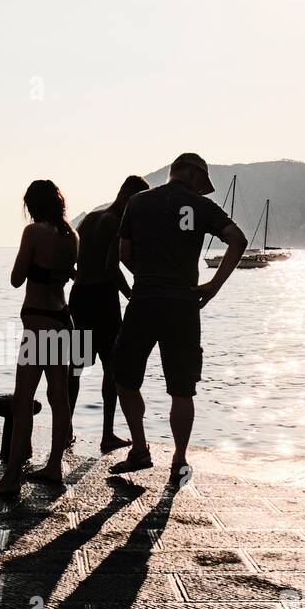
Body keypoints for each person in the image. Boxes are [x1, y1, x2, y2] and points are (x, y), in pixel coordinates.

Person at [111, 152, 247, 482]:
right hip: (183, 305)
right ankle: (179, 459)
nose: (204, 190)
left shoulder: (139, 203)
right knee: (182, 389)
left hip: (143, 301)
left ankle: (141, 449)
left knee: (124, 377)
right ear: (189, 172)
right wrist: (212, 286)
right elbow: (238, 240)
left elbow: (124, 254)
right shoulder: (199, 206)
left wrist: (148, 276)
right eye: (203, 181)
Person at [0, 180, 78, 499]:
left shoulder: (34, 233)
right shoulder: (72, 235)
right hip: (64, 320)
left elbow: (15, 278)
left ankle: (10, 478)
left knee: (23, 400)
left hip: (38, 321)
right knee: (59, 398)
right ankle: (54, 465)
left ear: (32, 206)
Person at [68, 174, 150, 452]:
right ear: (130, 197)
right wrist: (132, 294)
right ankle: (107, 434)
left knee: (74, 368)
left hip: (79, 296)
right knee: (111, 367)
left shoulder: (90, 217)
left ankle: (65, 430)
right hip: (102, 298)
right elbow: (111, 267)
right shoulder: (115, 222)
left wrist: (79, 276)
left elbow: (71, 257)